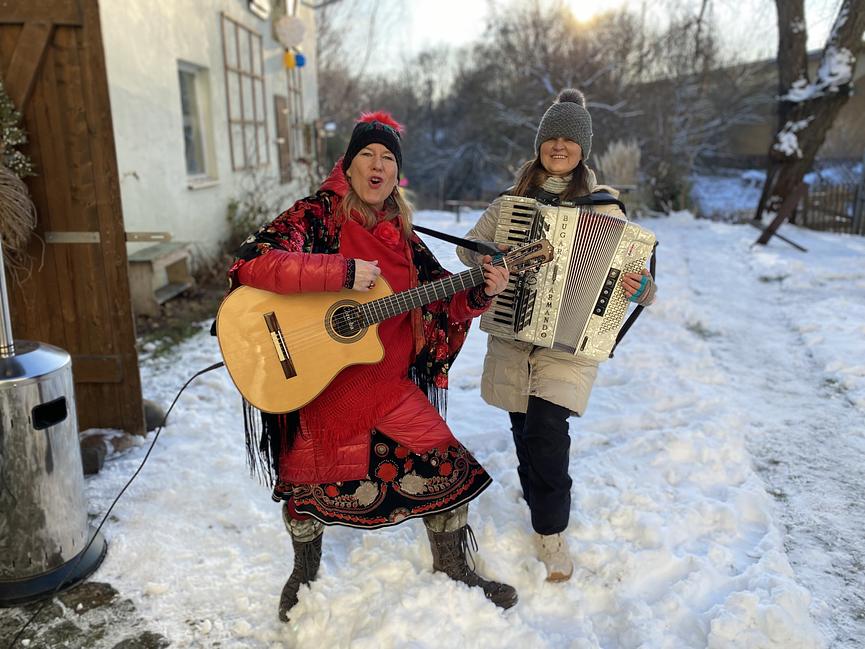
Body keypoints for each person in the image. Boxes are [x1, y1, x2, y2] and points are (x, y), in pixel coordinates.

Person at [227, 111, 517, 622]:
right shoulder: (317, 215)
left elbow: (437, 301)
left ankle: (453, 568)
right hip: (320, 384)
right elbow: (254, 260)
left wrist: (477, 291)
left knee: (449, 469)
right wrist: (339, 271)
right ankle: (303, 574)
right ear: (349, 163)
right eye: (368, 154)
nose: (378, 164)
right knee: (303, 489)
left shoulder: (404, 232)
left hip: (387, 385)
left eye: (388, 157)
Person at [456, 89, 657, 583]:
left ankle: (551, 532)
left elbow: (641, 285)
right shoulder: (512, 202)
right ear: (540, 144)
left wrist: (642, 289)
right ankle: (536, 493)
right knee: (524, 431)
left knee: (548, 433)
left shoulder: (606, 208)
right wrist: (486, 256)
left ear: (583, 148)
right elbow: (469, 249)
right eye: (552, 138)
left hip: (570, 344)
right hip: (514, 332)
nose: (560, 147)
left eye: (570, 139)